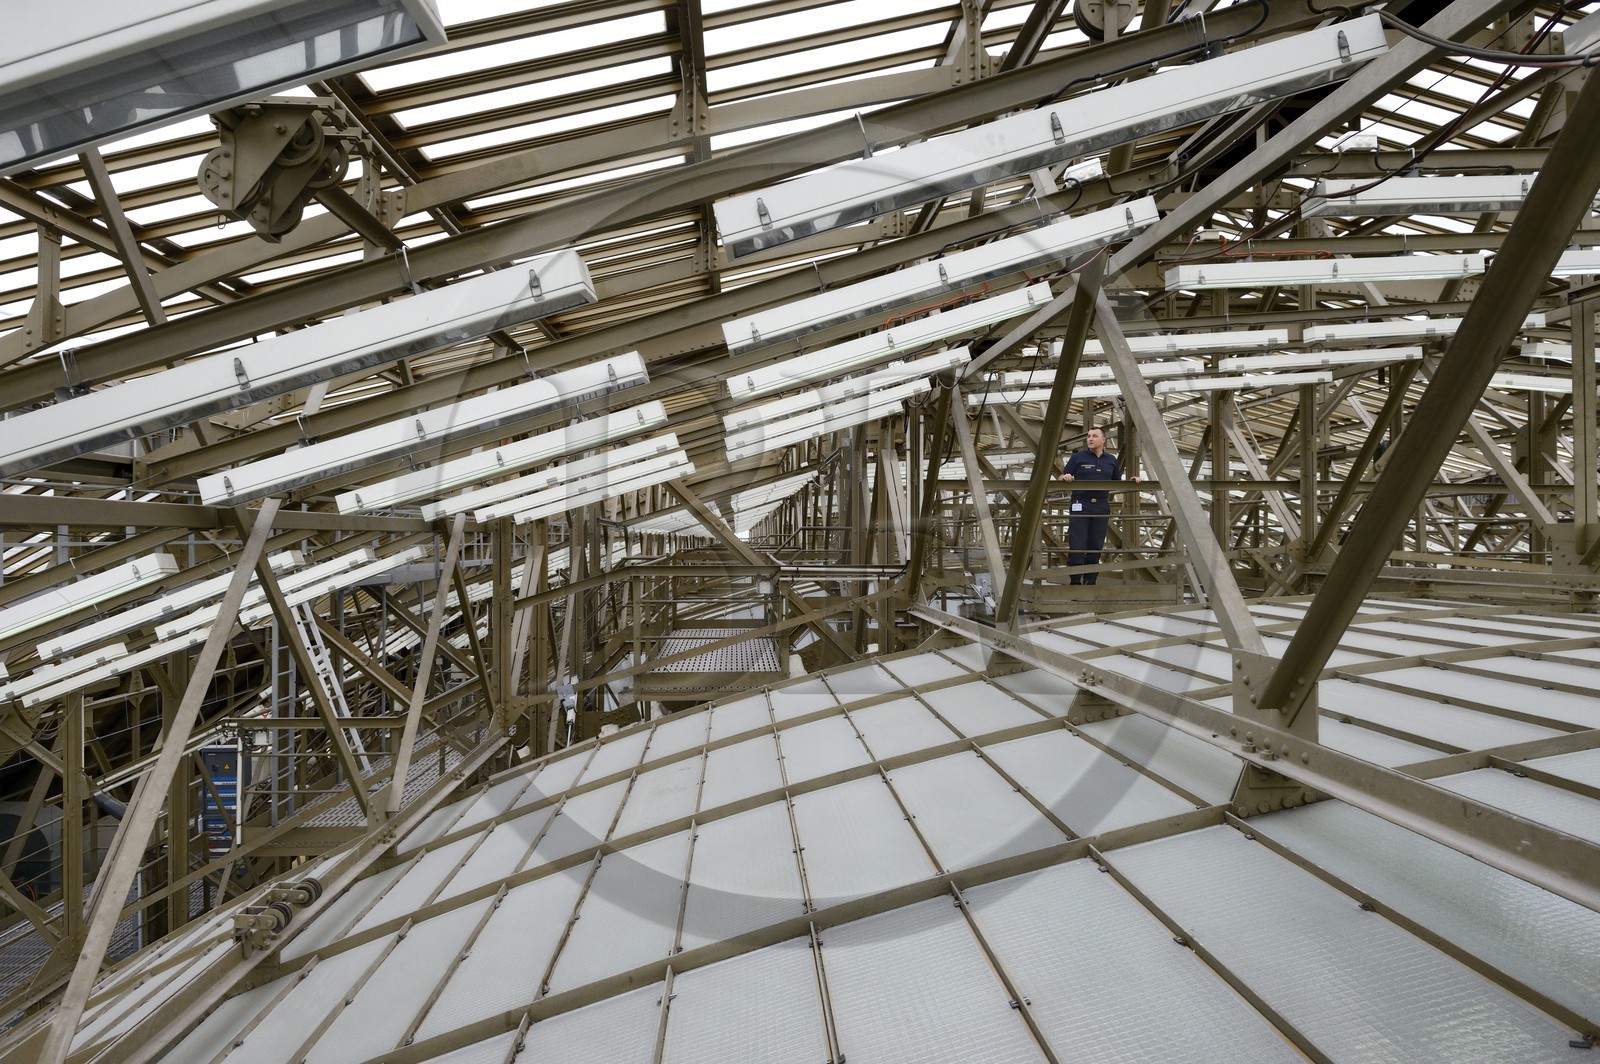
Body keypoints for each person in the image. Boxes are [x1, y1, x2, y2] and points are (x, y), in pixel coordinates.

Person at [1056, 427, 1139, 586]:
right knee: (1078, 545)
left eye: (1094, 436)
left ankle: (1090, 581)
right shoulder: (1078, 457)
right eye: (1088, 436)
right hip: (1080, 504)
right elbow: (1062, 475)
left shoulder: (1111, 460)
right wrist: (1065, 477)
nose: (1090, 439)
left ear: (1103, 440)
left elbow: (1116, 481)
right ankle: (1075, 582)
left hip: (1101, 506)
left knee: (1096, 545)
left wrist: (1132, 480)